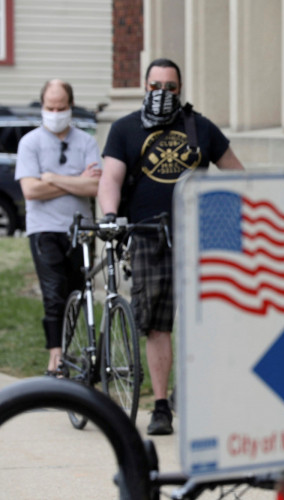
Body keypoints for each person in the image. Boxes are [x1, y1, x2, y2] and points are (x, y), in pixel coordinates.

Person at [97, 58, 243, 435]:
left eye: (170, 87)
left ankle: (191, 393)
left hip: (200, 236)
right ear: (145, 87)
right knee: (157, 324)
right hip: (147, 236)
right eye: (155, 85)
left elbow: (239, 176)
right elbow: (110, 178)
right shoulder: (125, 129)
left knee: (205, 320)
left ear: (181, 89)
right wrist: (111, 215)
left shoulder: (200, 127)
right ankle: (161, 406)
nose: (163, 93)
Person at [15, 79, 101, 376]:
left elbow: (95, 186)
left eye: (61, 107)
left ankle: (67, 348)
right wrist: (75, 180)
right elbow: (30, 191)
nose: (55, 112)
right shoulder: (30, 143)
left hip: (81, 229)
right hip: (44, 229)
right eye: (50, 107)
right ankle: (56, 359)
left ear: (70, 106)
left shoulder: (86, 141)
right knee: (54, 294)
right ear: (42, 107)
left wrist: (50, 177)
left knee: (77, 293)